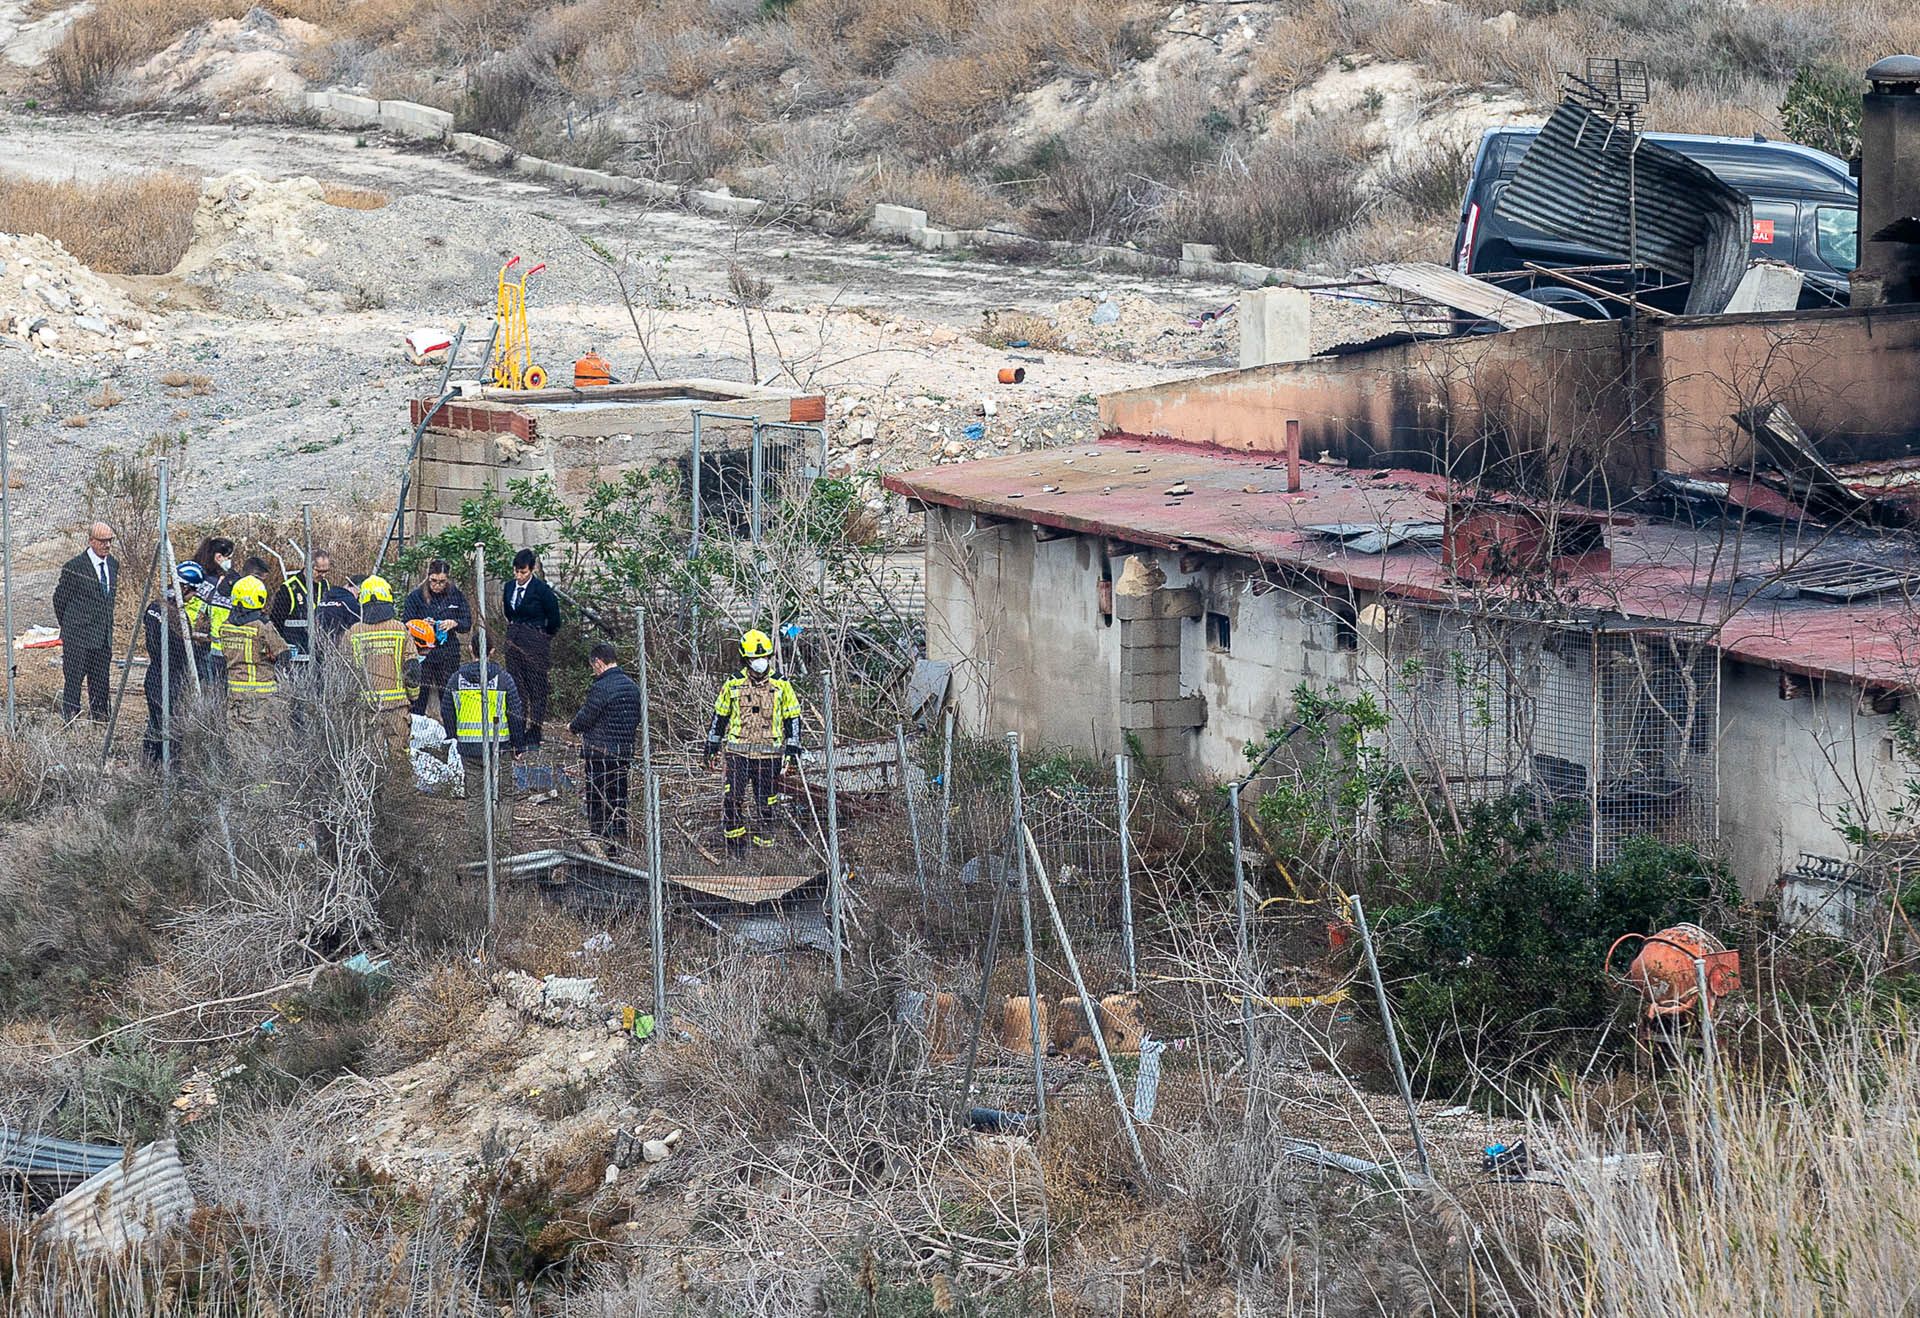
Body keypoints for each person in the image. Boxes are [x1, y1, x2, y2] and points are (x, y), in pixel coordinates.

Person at [705, 629, 801, 856]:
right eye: (754, 659)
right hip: (739, 754)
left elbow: (793, 719)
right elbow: (719, 717)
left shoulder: (782, 685)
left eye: (763, 658)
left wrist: (793, 751)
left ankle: (763, 853)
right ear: (744, 659)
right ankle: (736, 851)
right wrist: (711, 748)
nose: (760, 663)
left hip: (770, 757)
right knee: (732, 800)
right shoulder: (733, 684)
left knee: (767, 805)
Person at [441, 631, 525, 858]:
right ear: (492, 651)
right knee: (504, 796)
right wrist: (519, 745)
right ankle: (501, 846)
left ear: (471, 649)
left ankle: (479, 849)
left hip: (469, 749)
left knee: (475, 798)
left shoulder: (456, 678)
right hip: (499, 748)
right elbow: (516, 713)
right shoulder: (504, 678)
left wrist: (454, 736)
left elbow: (446, 710)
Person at [569, 641, 641, 845]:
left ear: (598, 662)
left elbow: (586, 717)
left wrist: (572, 727)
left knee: (598, 801)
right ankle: (618, 841)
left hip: (600, 754)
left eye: (593, 667)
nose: (594, 671)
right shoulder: (633, 687)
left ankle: (600, 842)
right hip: (623, 753)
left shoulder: (601, 687)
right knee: (618, 799)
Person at [51, 521, 119, 721]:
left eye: (109, 541)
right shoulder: (75, 567)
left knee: (100, 682)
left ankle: (100, 721)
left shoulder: (113, 564)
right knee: (73, 682)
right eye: (102, 541)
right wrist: (72, 625)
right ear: (91, 541)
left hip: (102, 637)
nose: (106, 545)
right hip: (78, 638)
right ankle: (70, 721)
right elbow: (59, 599)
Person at [345, 575, 414, 767]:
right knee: (400, 757)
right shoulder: (399, 629)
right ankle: (400, 795)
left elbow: (344, 670)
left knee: (369, 760)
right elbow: (413, 669)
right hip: (397, 706)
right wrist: (413, 697)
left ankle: (371, 796)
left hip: (366, 708)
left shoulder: (353, 632)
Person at [502, 549, 562, 749]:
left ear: (532, 570)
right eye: (516, 572)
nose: (519, 576)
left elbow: (554, 619)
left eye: (523, 572)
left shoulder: (542, 590)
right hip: (514, 642)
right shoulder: (509, 587)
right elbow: (509, 613)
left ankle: (534, 730)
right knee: (516, 688)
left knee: (536, 688)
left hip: (535, 643)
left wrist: (542, 636)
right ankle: (517, 730)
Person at [217, 574, 290, 732]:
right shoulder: (261, 625)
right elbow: (283, 653)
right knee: (261, 739)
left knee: (237, 736)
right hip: (260, 692)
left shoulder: (225, 626)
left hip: (235, 690)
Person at [141, 562, 197, 764]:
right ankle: (169, 769)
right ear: (185, 588)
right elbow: (182, 651)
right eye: (194, 592)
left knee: (155, 723)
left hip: (154, 674)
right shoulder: (177, 617)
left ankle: (149, 765)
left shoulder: (154, 607)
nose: (194, 597)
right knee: (170, 726)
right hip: (170, 678)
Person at [405, 559, 471, 717]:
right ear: (428, 577)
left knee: (448, 697)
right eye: (433, 581)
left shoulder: (455, 595)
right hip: (423, 654)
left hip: (448, 652)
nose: (437, 586)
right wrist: (422, 626)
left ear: (447, 579)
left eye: (442, 582)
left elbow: (467, 623)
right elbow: (406, 624)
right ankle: (417, 734)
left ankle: (452, 735)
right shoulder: (416, 596)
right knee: (419, 698)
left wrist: (454, 623)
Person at [270, 549, 333, 655]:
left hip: (319, 647)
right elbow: (276, 621)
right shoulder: (289, 588)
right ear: (307, 567)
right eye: (319, 571)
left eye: (326, 571)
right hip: (296, 646)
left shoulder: (325, 585)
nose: (323, 575)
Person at [314, 573, 363, 652]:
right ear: (358, 589)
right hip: (338, 647)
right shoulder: (351, 603)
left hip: (316, 644)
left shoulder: (326, 597)